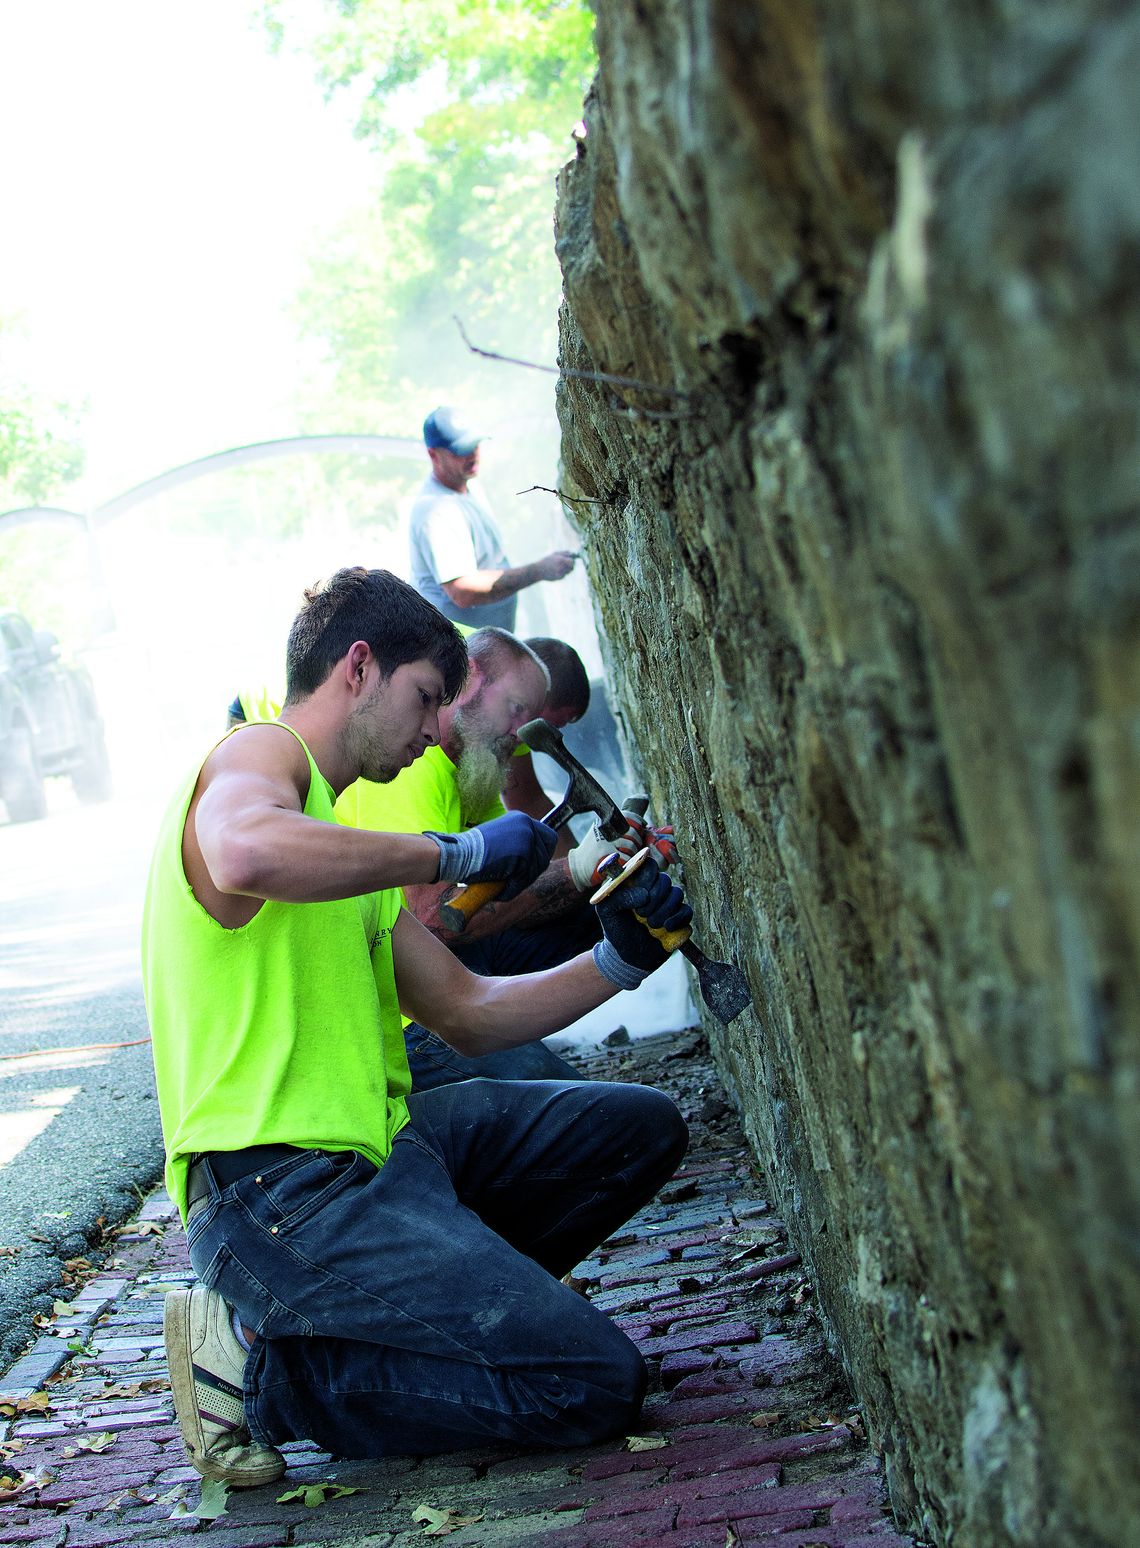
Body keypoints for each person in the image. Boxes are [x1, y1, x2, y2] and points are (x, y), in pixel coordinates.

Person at [141, 566, 691, 1487]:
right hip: (277, 1194)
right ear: (358, 668)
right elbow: (239, 846)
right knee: (592, 1384)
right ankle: (267, 1374)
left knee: (637, 1129)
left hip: (388, 1150)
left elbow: (469, 1014)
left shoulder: (333, 836)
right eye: (426, 697)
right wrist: (459, 850)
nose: (439, 729)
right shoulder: (254, 757)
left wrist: (622, 957)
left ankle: (429, 1327)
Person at [336, 626, 665, 1087]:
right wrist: (576, 870)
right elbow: (434, 920)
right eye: (514, 710)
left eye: (528, 718)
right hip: (406, 1016)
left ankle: (511, 1033)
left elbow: (523, 876)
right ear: (469, 678)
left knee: (602, 911)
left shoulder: (474, 772)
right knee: (575, 1108)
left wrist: (610, 865)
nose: (519, 734)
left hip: (456, 968)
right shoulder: (408, 773)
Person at [408, 405, 577, 630]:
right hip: (463, 650)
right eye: (460, 450)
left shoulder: (468, 485)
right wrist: (539, 570)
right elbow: (462, 591)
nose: (472, 454)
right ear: (433, 455)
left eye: (475, 444)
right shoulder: (437, 511)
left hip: (486, 643)